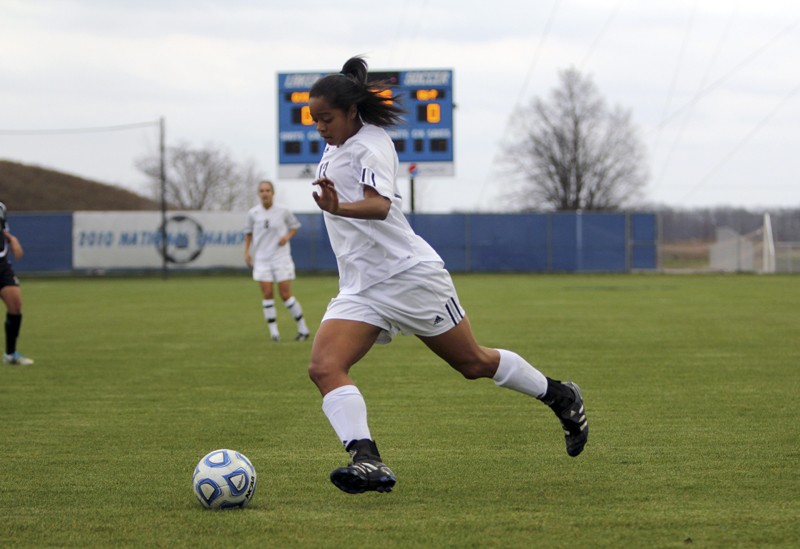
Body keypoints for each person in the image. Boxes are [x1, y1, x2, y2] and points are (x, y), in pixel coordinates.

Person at [307, 56, 589, 495]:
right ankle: (367, 459)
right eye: (315, 120)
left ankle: (560, 396)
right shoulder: (337, 144)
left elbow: (379, 206)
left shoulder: (371, 144)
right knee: (324, 366)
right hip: (362, 288)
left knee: (473, 363)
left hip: (409, 277)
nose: (320, 128)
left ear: (350, 113)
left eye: (326, 119)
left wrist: (337, 206)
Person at [244, 180, 310, 342]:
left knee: (285, 294)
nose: (265, 193)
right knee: (267, 294)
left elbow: (295, 226)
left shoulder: (283, 211)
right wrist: (246, 252)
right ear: (259, 194)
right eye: (262, 191)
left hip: (281, 257)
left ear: (273, 193)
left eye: (267, 190)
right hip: (262, 259)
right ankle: (274, 333)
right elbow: (248, 233)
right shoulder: (253, 213)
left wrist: (286, 237)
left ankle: (303, 327)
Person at [0, 202, 34, 365]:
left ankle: (10, 354)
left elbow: (3, 229)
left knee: (15, 305)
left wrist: (12, 239)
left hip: (2, 264)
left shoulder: (1, 207)